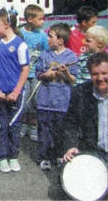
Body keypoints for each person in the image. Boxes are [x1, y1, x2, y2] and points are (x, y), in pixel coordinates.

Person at [35, 23, 79, 170]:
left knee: (60, 131)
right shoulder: (44, 55)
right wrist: (46, 74)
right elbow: (38, 75)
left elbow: (73, 80)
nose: (47, 39)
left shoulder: (71, 56)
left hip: (62, 102)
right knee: (44, 132)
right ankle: (45, 157)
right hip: (45, 101)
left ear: (60, 40)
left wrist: (65, 73)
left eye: (51, 36)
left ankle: (60, 155)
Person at [0, 9, 29, 173]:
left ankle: (13, 156)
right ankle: (2, 157)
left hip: (15, 94)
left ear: (7, 25)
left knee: (13, 126)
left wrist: (16, 91)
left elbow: (25, 70)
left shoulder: (20, 44)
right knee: (1, 126)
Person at [62, 52, 108, 163]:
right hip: (92, 153)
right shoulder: (80, 93)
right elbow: (70, 123)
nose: (100, 78)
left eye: (104, 73)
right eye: (95, 74)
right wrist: (71, 146)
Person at [19, 4, 49, 142]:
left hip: (36, 73)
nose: (43, 22)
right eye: (40, 19)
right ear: (30, 19)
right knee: (25, 101)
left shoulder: (42, 35)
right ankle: (24, 123)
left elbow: (46, 52)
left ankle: (33, 125)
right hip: (23, 73)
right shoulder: (21, 33)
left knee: (36, 100)